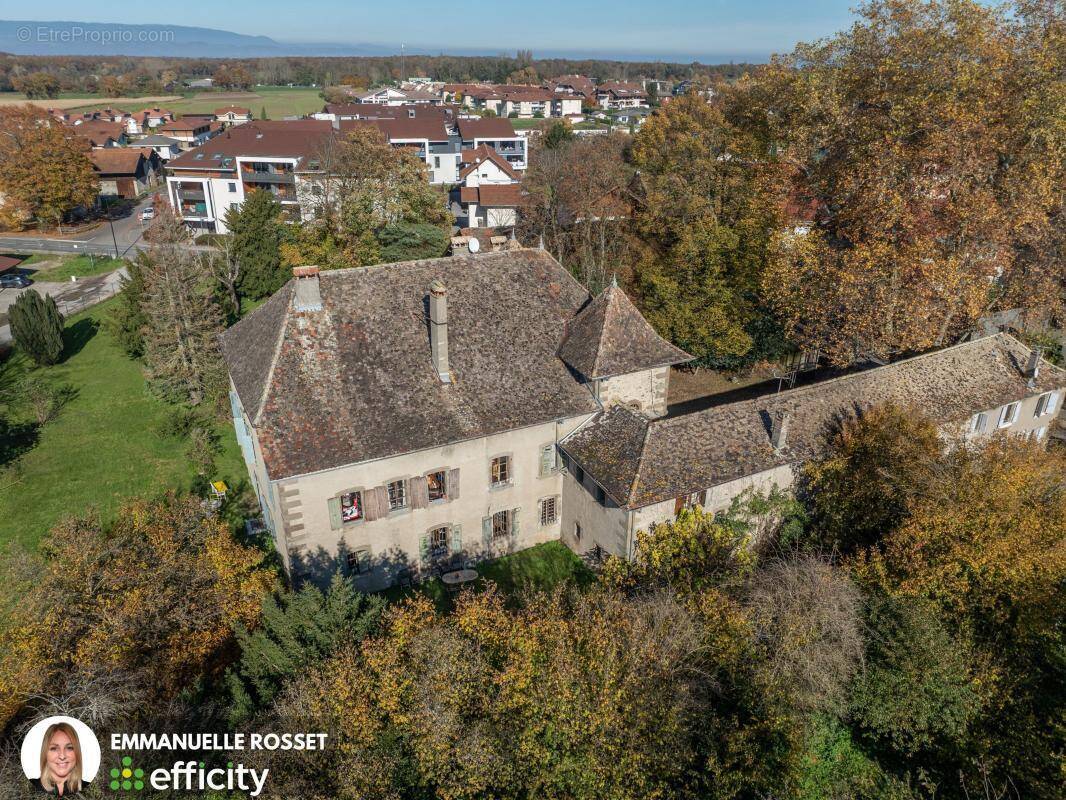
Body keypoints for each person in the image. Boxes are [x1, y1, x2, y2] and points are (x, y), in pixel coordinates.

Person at [30, 722, 88, 796]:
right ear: (45, 753)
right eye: (54, 748)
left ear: (77, 752)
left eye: (69, 748)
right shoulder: (29, 787)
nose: (62, 756)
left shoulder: (90, 787)